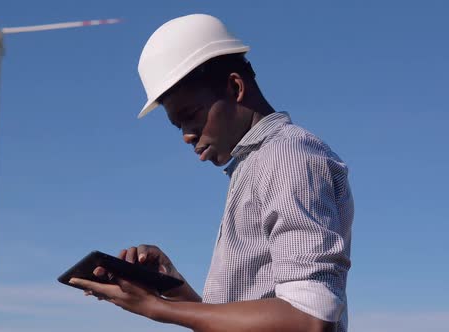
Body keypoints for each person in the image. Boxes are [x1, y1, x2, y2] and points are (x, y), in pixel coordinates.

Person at [69, 14, 353, 332]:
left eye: (190, 116)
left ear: (235, 87)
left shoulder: (286, 157)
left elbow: (309, 319)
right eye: (179, 127)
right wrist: (176, 290)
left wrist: (157, 308)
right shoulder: (257, 164)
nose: (187, 136)